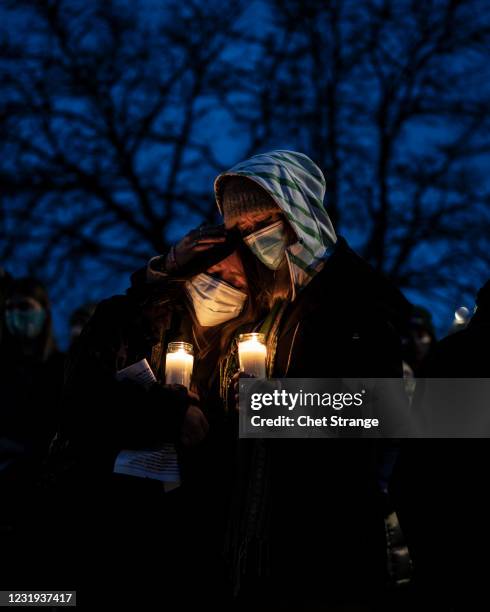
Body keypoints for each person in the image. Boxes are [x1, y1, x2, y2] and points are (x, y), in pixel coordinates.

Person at [145, 150, 413, 609]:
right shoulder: (271, 300)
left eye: (262, 221)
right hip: (255, 533)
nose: (252, 238)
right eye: (241, 230)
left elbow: (381, 412)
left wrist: (270, 406)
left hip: (324, 537)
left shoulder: (361, 296)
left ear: (298, 210)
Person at [50, 228, 255, 608]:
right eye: (214, 274)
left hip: (195, 541)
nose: (222, 287)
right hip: (108, 525)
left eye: (236, 281)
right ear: (193, 273)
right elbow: (79, 407)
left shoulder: (246, 348)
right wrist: (167, 411)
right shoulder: (129, 322)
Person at [391, 279, 490, 611]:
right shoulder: (461, 360)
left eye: (421, 334)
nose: (415, 341)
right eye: (409, 334)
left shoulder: (452, 357)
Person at [0, 277, 64, 588]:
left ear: (44, 312)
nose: (15, 315)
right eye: (9, 308)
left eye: (24, 307)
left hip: (47, 499)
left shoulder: (64, 369)